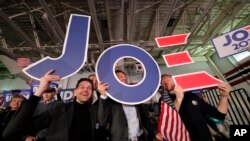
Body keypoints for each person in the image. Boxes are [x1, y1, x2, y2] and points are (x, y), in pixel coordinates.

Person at [2, 70, 109, 141]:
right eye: (82, 87)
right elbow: (17, 129)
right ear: (75, 92)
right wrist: (41, 89)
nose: (85, 90)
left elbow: (103, 128)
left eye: (89, 88)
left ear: (91, 93)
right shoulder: (59, 109)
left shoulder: (95, 111)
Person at [156, 74, 231, 141]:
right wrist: (179, 98)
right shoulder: (163, 100)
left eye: (168, 79)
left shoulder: (191, 96)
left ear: (175, 79)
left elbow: (219, 116)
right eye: (163, 82)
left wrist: (224, 97)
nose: (166, 82)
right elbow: (168, 121)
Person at [98, 70, 156, 141]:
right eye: (120, 77)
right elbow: (102, 122)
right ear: (113, 80)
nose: (124, 79)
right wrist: (103, 96)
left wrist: (153, 133)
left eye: (125, 77)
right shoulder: (109, 99)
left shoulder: (133, 96)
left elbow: (143, 117)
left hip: (140, 137)